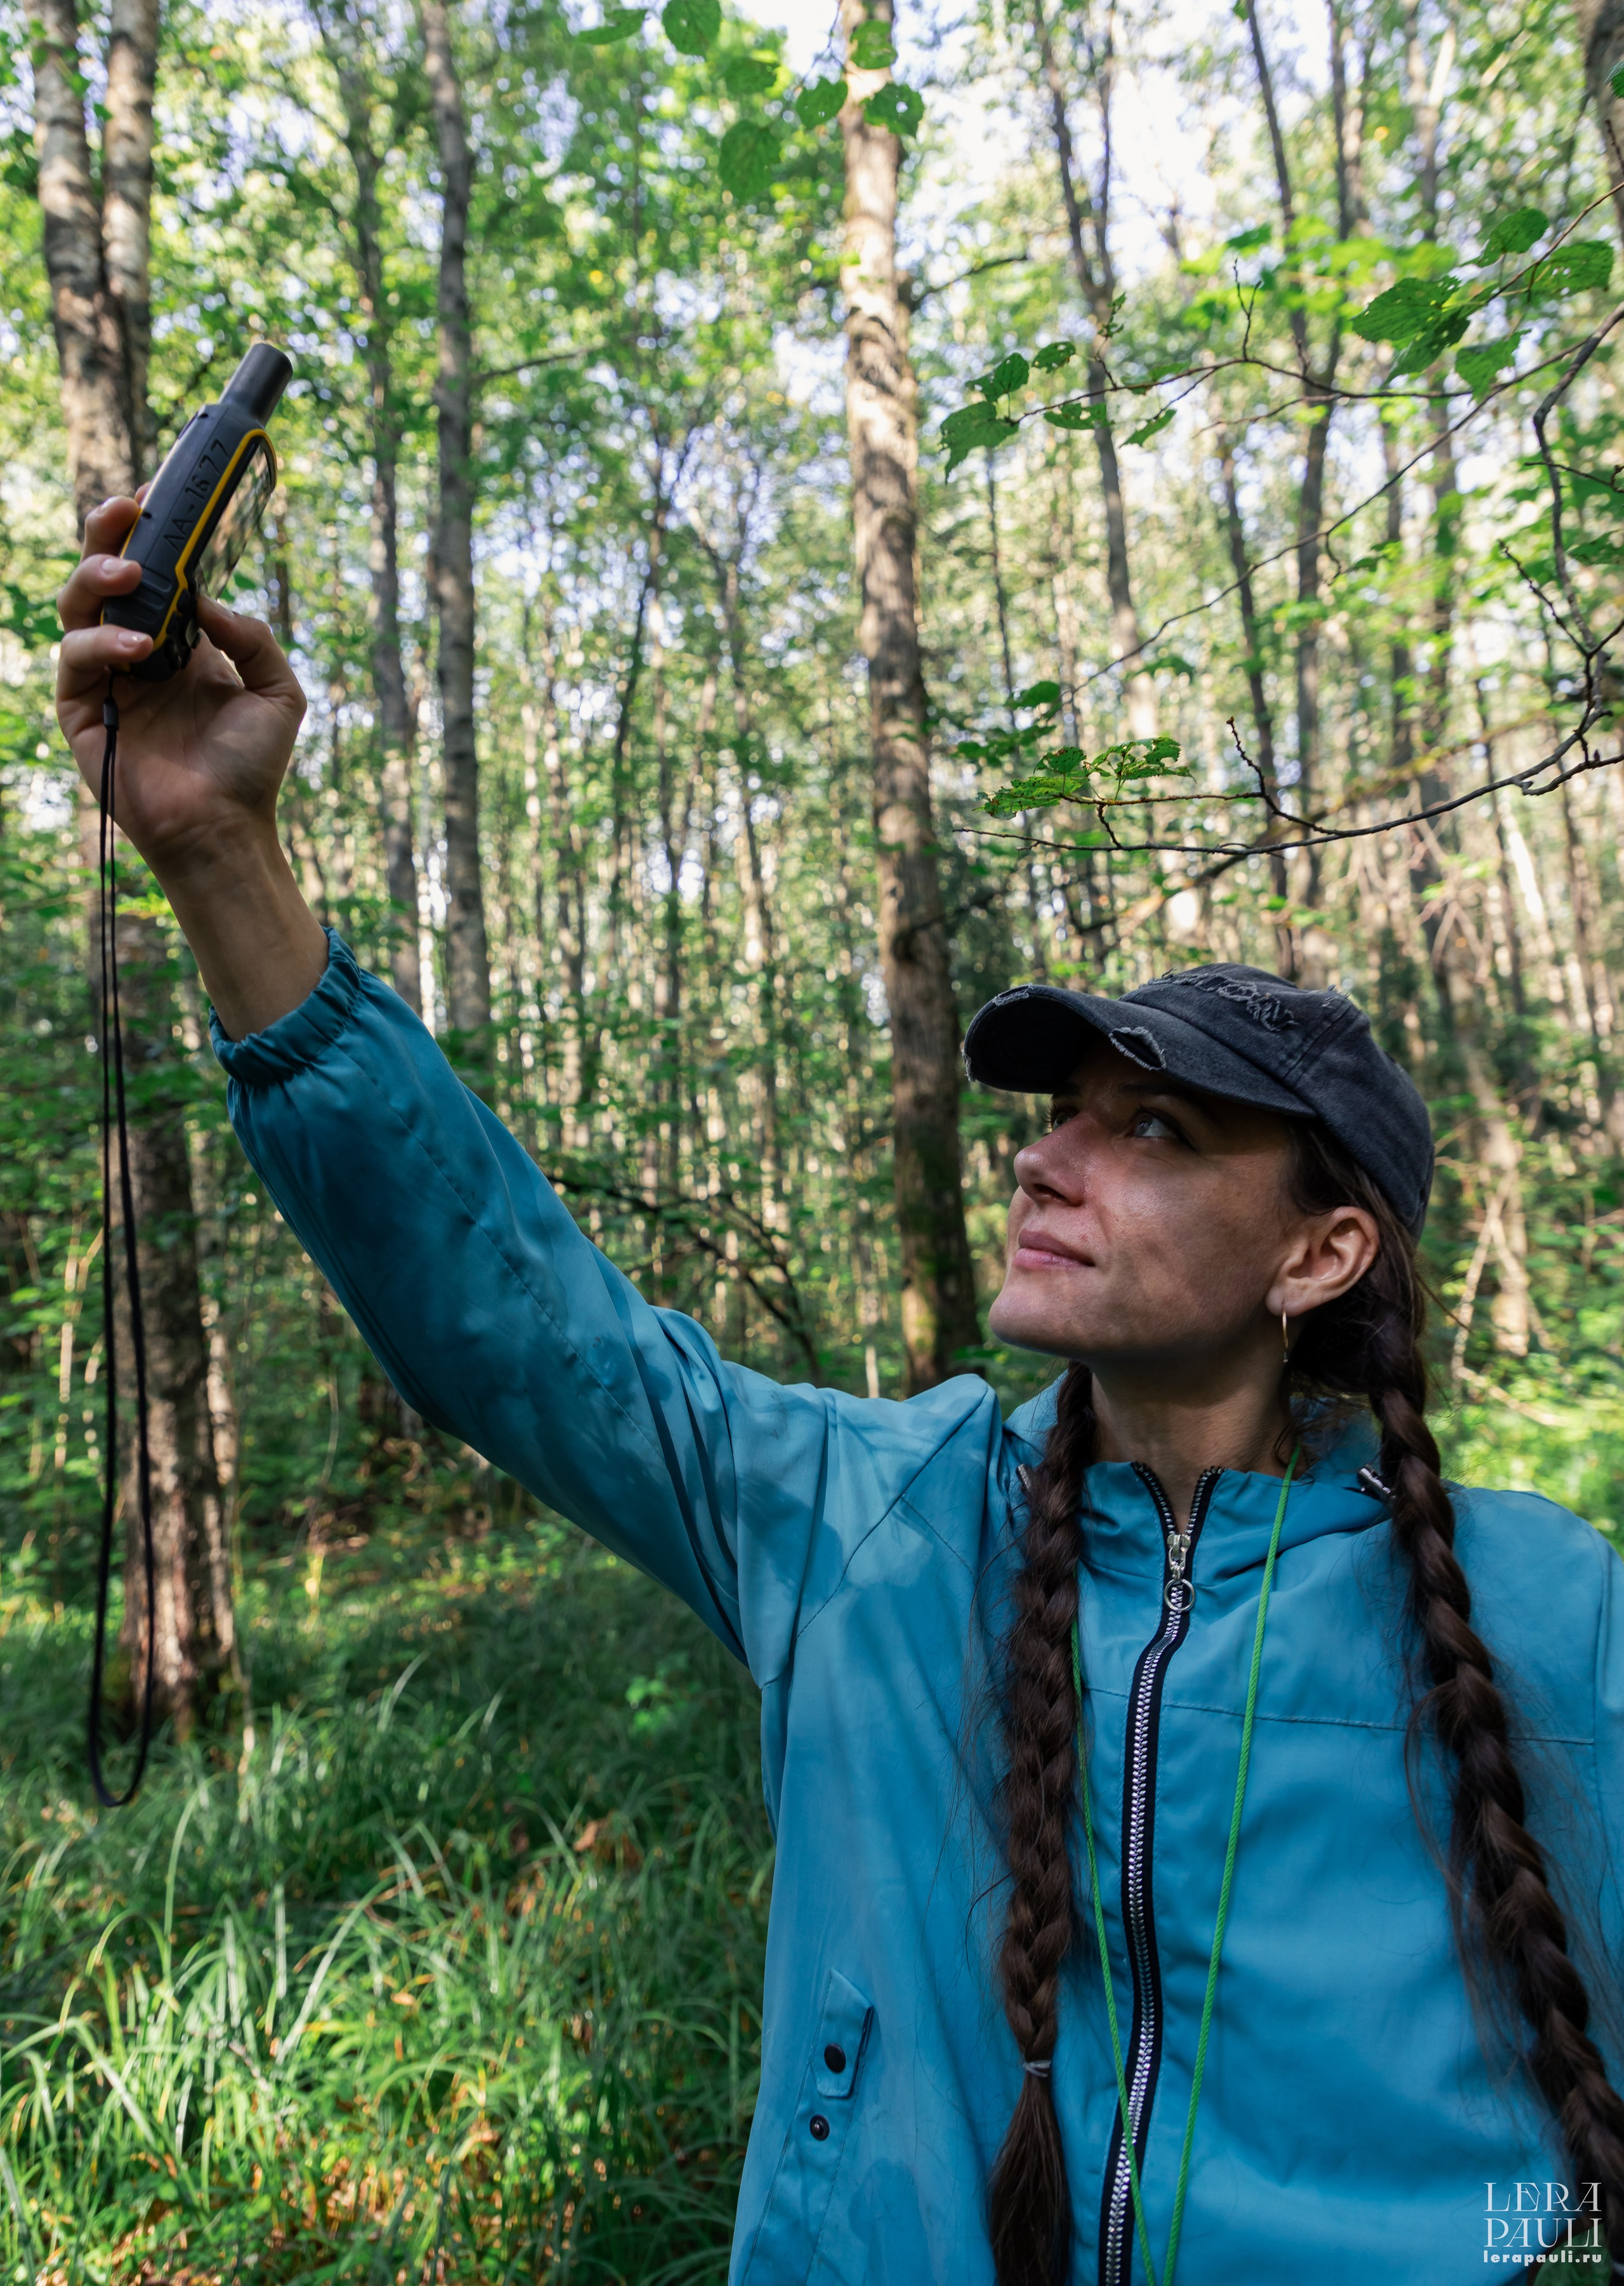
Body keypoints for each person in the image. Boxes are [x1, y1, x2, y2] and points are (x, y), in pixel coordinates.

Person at [56, 506, 1624, 2285]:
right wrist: (219, 857)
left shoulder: (1551, 1618)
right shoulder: (874, 1518)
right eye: (1063, 1114)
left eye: (1156, 1132)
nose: (1051, 1163)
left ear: (1322, 1255)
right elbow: (514, 1323)